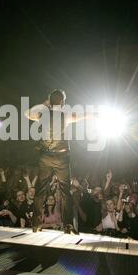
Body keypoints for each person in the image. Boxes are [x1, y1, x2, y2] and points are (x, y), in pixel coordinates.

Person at [24, 89, 93, 234]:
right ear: (62, 101)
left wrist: (45, 103)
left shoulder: (42, 114)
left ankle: (36, 222)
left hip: (46, 157)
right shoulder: (66, 115)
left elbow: (27, 113)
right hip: (61, 158)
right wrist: (94, 114)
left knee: (41, 189)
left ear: (50, 100)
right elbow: (81, 116)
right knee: (65, 191)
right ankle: (68, 225)